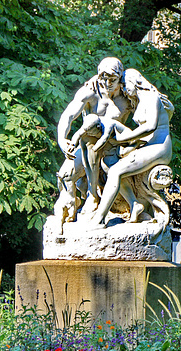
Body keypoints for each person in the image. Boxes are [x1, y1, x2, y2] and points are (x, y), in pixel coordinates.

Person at [89, 68, 174, 227]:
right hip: (148, 145)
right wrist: (130, 146)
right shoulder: (139, 101)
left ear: (135, 81)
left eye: (124, 83)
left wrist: (124, 138)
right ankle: (135, 205)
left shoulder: (151, 97)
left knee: (115, 171)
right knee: (109, 165)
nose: (123, 87)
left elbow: (150, 126)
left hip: (160, 147)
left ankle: (99, 217)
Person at [54, 57, 133, 225]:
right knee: (65, 175)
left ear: (120, 78)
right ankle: (82, 201)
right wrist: (62, 139)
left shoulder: (128, 94)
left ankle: (98, 198)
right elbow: (67, 116)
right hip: (88, 145)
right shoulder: (90, 91)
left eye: (112, 79)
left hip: (114, 145)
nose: (107, 82)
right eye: (103, 78)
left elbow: (149, 116)